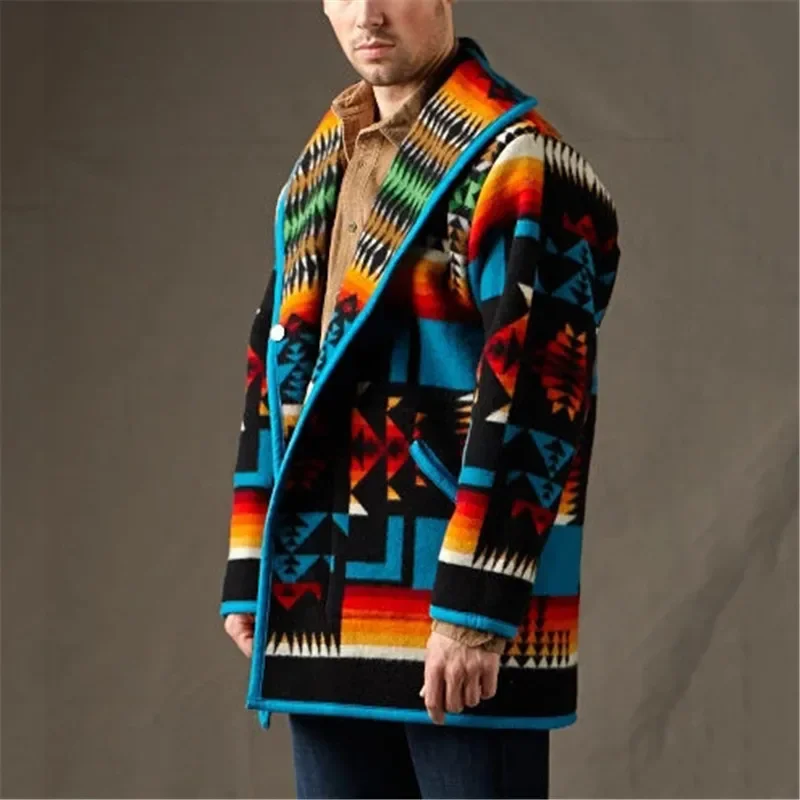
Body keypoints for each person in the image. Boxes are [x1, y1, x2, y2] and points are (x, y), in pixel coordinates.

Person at [220, 1, 621, 797]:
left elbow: (543, 393)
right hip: (321, 601)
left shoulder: (521, 164)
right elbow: (275, 364)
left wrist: (478, 605)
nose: (367, 13)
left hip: (453, 612)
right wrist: (251, 561)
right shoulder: (322, 163)